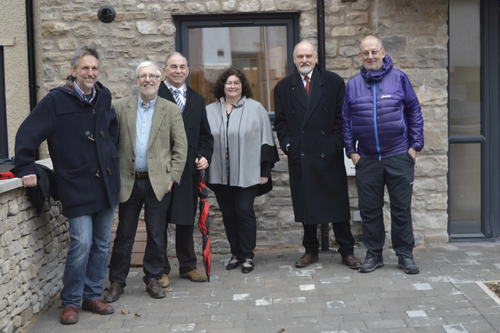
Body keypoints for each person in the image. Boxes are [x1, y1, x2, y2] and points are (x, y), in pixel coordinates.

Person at [14, 46, 120, 325]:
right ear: (73, 71)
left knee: (99, 243)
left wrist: (111, 159)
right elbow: (27, 133)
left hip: (106, 183)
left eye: (94, 68)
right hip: (75, 183)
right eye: (85, 68)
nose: (91, 73)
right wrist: (25, 167)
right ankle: (71, 301)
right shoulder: (55, 101)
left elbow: (111, 132)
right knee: (81, 243)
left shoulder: (104, 96)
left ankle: (92, 295)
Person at [274, 41, 361, 269]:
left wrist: (334, 144)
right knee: (307, 206)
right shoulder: (283, 87)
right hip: (301, 155)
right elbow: (280, 123)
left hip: (328, 154)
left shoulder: (332, 82)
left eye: (308, 56)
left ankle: (347, 251)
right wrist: (289, 145)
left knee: (339, 207)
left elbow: (343, 119)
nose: (304, 60)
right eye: (300, 56)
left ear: (316, 57)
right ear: (294, 60)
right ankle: (310, 250)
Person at [105, 61, 187, 301]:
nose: (148, 80)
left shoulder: (170, 110)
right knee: (124, 233)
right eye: (143, 76)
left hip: (158, 183)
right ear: (137, 80)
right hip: (128, 181)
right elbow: (110, 144)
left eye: (152, 76)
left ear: (159, 80)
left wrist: (172, 177)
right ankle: (117, 282)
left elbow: (180, 147)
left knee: (156, 233)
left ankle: (152, 278)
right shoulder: (120, 107)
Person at [342, 35, 424, 274]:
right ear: (360, 56)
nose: (370, 56)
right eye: (365, 53)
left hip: (399, 154)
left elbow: (414, 111)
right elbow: (345, 121)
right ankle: (374, 254)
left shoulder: (399, 78)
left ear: (383, 52)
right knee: (369, 210)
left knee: (401, 208)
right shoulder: (353, 84)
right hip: (367, 158)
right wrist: (352, 152)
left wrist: (414, 146)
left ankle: (404, 254)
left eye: (374, 52)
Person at [206, 68, 279, 274]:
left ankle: (248, 255)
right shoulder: (210, 111)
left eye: (236, 83)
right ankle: (235, 253)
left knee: (244, 211)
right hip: (220, 173)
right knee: (228, 214)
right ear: (222, 86)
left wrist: (264, 171)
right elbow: (205, 141)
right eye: (229, 83)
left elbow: (266, 140)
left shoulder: (256, 109)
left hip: (248, 173)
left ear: (242, 85)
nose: (232, 86)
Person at [157, 52, 213, 286]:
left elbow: (205, 136)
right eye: (173, 66)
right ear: (164, 70)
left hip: (188, 170)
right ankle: (158, 269)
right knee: (158, 221)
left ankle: (188, 266)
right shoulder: (154, 95)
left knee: (185, 220)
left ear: (188, 71)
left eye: (182, 67)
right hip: (160, 170)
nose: (178, 71)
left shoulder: (198, 100)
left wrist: (204, 156)